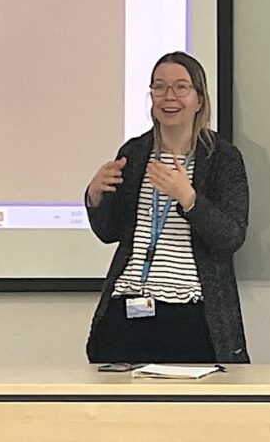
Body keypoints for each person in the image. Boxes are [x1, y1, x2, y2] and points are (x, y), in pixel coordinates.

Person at [85, 52, 250, 364]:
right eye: (159, 87)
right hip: (128, 307)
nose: (169, 97)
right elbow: (110, 232)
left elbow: (231, 237)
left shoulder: (223, 158)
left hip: (191, 313)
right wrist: (95, 196)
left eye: (181, 87)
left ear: (199, 99)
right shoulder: (134, 153)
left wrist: (188, 198)